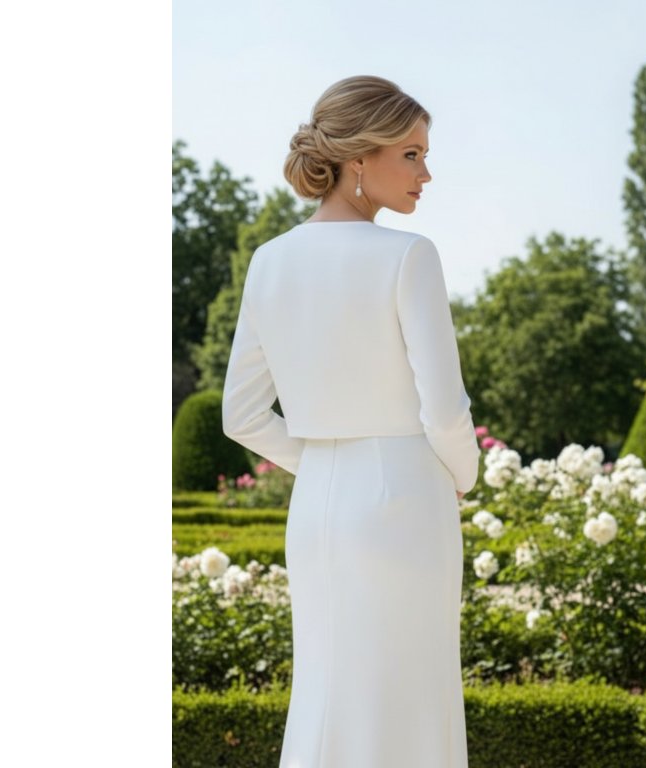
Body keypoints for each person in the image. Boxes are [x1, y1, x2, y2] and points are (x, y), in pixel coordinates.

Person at [221, 75, 480, 768]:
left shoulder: (268, 261)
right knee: (414, 693)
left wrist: (325, 462)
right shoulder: (409, 255)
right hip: (408, 499)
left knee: (327, 690)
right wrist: (460, 474)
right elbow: (445, 410)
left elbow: (240, 414)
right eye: (412, 154)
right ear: (359, 158)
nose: (426, 174)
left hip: (317, 506)